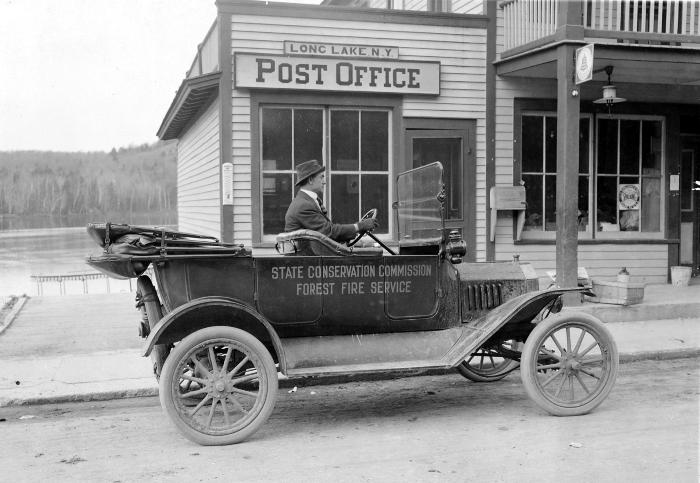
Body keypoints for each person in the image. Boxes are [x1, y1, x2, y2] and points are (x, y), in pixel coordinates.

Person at [285, 159, 378, 243]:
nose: (324, 181)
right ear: (310, 180)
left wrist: (357, 229)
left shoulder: (306, 201)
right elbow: (329, 232)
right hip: (308, 257)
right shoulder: (303, 205)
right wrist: (359, 226)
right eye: (321, 177)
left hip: (313, 254)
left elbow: (327, 233)